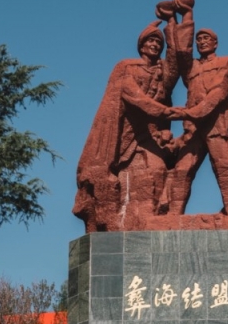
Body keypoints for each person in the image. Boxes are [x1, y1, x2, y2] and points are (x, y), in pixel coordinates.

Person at [73, 14, 182, 233]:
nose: (154, 45)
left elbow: (175, 60)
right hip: (123, 138)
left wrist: (173, 24)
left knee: (158, 169)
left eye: (158, 43)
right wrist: (174, 113)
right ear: (141, 45)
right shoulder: (127, 67)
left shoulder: (160, 71)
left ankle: (151, 221)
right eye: (150, 41)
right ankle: (111, 222)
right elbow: (137, 99)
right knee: (116, 183)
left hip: (147, 136)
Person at [165, 25, 228, 216]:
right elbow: (182, 50)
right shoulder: (193, 67)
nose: (202, 42)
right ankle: (173, 216)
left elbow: (219, 93)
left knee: (224, 168)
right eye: (199, 39)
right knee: (182, 170)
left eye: (206, 38)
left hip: (216, 123)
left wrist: (189, 113)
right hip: (194, 127)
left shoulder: (227, 62)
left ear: (216, 43)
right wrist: (180, 18)